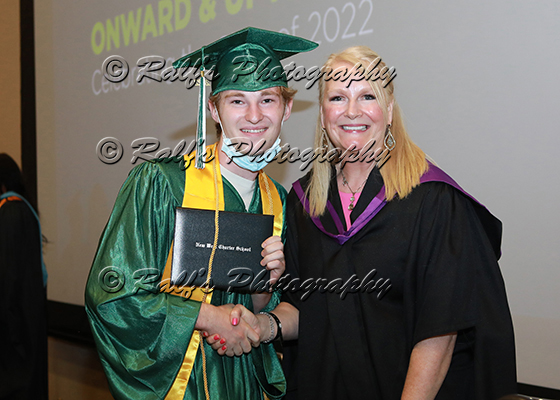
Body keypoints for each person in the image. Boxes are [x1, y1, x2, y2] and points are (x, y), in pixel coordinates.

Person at [211, 46, 517, 399]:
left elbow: (441, 331)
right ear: (323, 114)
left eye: (367, 96)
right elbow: (301, 307)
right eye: (338, 98)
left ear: (389, 110)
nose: (352, 111)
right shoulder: (305, 203)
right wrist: (262, 326)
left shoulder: (433, 200)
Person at [84, 27, 317, 400]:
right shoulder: (161, 184)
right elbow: (114, 293)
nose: (254, 115)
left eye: (267, 100)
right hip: (182, 385)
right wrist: (207, 316)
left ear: (286, 109)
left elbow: (261, 312)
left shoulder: (279, 201)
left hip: (244, 384)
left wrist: (262, 290)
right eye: (237, 100)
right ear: (213, 109)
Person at [0, 153, 48, 400]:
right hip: (25, 315)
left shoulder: (10, 212)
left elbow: (6, 276)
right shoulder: (21, 209)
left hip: (14, 322)